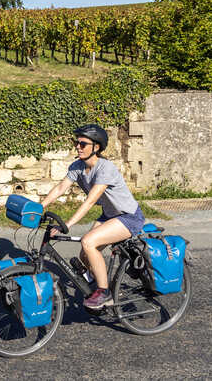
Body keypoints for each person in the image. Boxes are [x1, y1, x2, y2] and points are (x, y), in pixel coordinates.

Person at [41, 124, 145, 309]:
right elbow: (60, 188)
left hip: (129, 217)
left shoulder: (105, 168)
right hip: (110, 214)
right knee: (85, 254)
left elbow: (90, 201)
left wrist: (67, 224)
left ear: (96, 147)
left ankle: (104, 293)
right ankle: (95, 281)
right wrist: (38, 207)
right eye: (76, 143)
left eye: (83, 143)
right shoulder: (78, 166)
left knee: (88, 242)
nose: (78, 147)